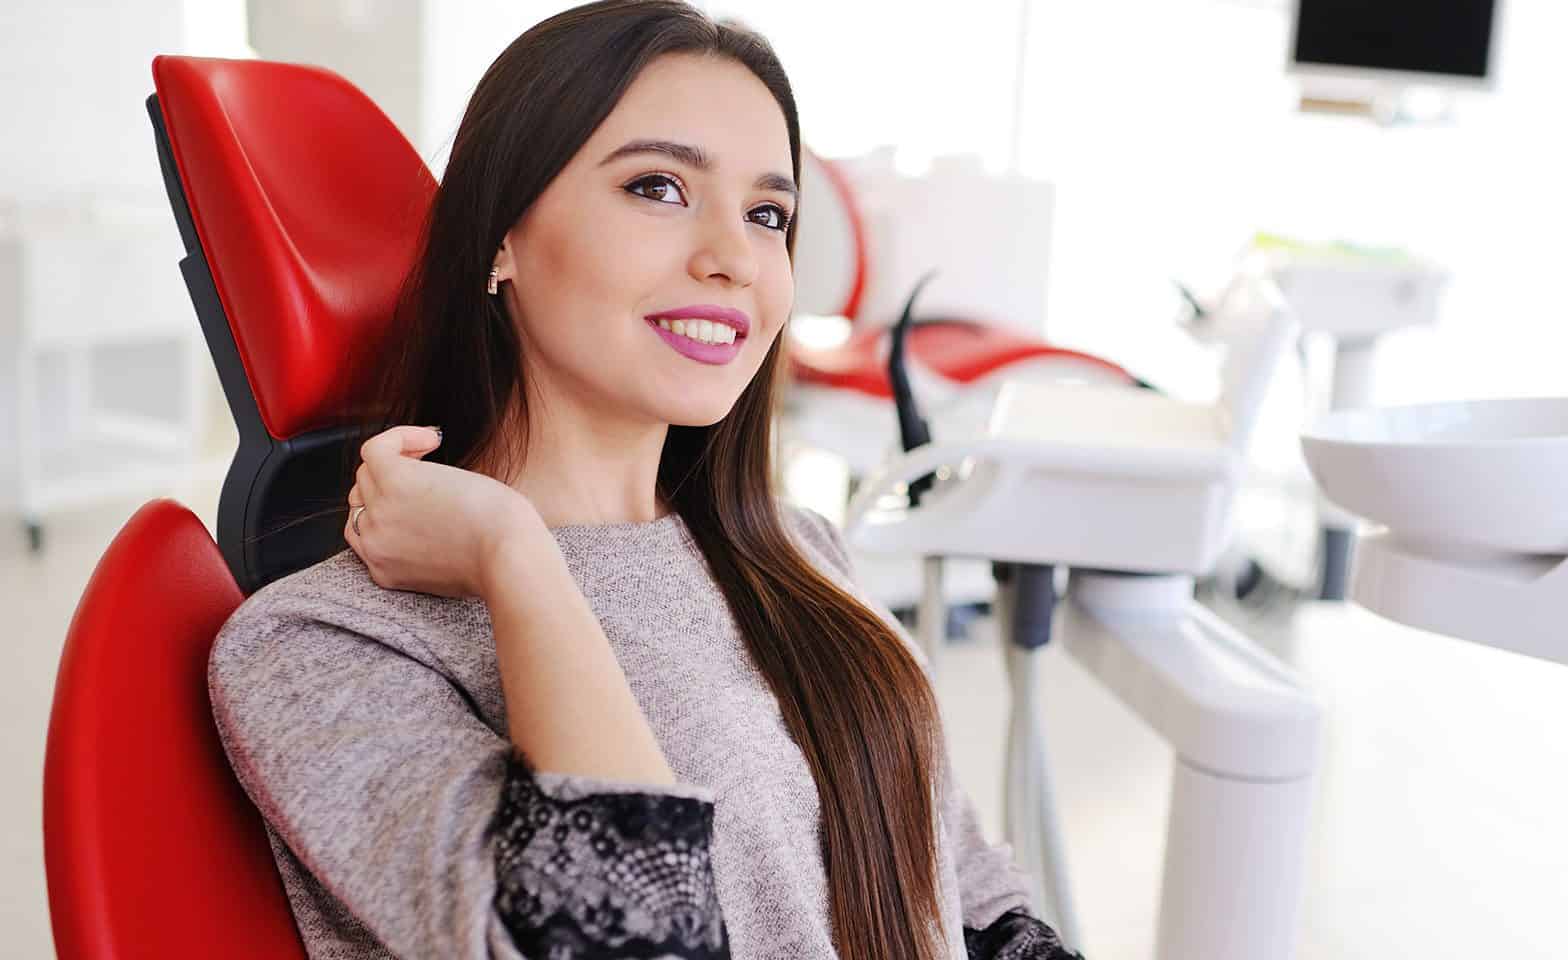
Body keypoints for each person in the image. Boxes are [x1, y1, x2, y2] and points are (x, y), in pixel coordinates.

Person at [207, 3, 1080, 958]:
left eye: (767, 215)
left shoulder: (798, 552)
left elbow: (967, 891)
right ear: (501, 234)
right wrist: (516, 560)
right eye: (659, 187)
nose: (734, 259)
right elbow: (621, 944)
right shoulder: (319, 644)